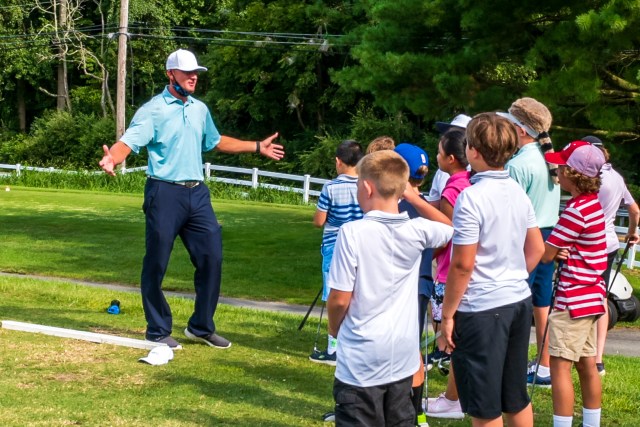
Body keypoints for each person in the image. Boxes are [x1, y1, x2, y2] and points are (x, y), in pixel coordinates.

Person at [98, 49, 284, 349]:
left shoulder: (200, 109)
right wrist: (112, 159)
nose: (193, 77)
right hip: (164, 193)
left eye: (196, 72)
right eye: (187, 72)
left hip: (197, 194)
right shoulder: (153, 110)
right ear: (170, 74)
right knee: (156, 262)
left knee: (212, 258)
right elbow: (128, 142)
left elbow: (216, 141)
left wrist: (256, 146)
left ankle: (200, 326)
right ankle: (158, 329)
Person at [328, 150, 453, 427]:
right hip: (402, 356)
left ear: (367, 187)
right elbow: (449, 227)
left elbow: (339, 299)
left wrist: (333, 328)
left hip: (361, 360)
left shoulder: (352, 233)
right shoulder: (417, 230)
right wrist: (412, 197)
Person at [441, 113, 544, 427]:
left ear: (472, 151)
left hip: (481, 308)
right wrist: (510, 275)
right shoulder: (517, 191)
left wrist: (448, 314)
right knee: (515, 396)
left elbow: (463, 264)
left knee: (485, 406)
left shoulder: (471, 197)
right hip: (518, 301)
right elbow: (537, 248)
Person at [541, 140, 608, 427]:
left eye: (561, 167)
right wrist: (562, 251)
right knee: (587, 364)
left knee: (559, 367)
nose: (557, 171)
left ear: (572, 174)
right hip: (592, 296)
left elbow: (545, 254)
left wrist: (552, 250)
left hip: (572, 300)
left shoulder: (575, 211)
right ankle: (591, 423)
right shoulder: (592, 205)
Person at [498, 97, 561, 387]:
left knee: (517, 301)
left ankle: (513, 363)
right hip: (549, 236)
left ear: (521, 130)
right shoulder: (549, 160)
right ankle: (544, 364)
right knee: (542, 302)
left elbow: (510, 212)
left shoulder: (518, 165)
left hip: (526, 238)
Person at [582, 135, 640, 376]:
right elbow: (634, 210)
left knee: (579, 294)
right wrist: (632, 233)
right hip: (609, 243)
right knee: (601, 296)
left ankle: (576, 352)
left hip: (587, 241)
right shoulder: (616, 176)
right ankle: (598, 360)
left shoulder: (588, 175)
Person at [425, 127, 470, 420]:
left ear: (451, 158)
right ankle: (456, 396)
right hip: (463, 271)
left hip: (447, 272)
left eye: (440, 152)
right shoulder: (470, 182)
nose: (437, 156)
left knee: (450, 339)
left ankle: (453, 399)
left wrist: (425, 256)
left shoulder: (452, 190)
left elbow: (447, 234)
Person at [309, 140, 364, 365]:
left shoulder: (330, 188)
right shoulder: (365, 185)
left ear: (338, 161)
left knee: (334, 294)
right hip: (361, 245)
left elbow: (319, 221)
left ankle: (333, 347)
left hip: (335, 244)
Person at [394, 142, 437, 427]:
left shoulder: (398, 207)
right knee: (414, 350)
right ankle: (416, 412)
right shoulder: (428, 207)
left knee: (404, 351)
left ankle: (409, 412)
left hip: (402, 286)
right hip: (422, 284)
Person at [426, 114, 472, 208]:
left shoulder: (451, 189)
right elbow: (434, 204)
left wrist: (414, 198)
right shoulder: (442, 171)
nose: (449, 136)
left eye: (457, 134)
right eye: (449, 132)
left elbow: (443, 213)